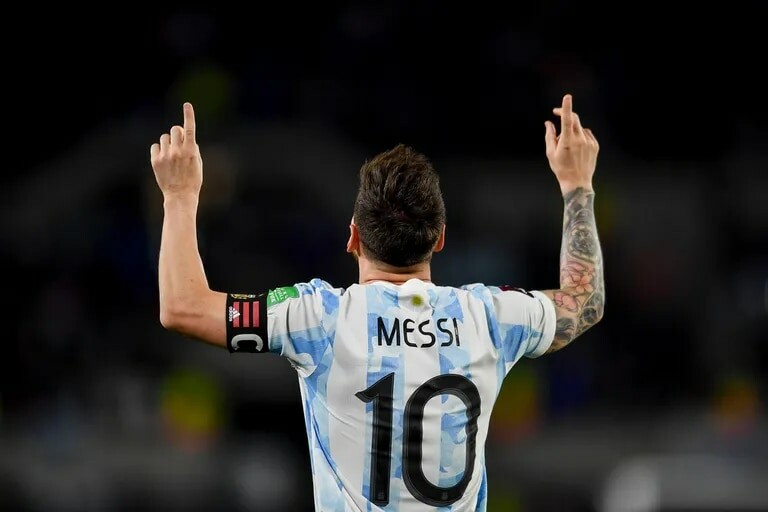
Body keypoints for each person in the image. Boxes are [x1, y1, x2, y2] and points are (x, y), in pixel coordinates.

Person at [150, 93, 604, 511]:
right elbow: (583, 301)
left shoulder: (319, 318)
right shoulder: (488, 318)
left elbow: (183, 307)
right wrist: (577, 186)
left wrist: (179, 196)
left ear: (353, 237)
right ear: (439, 239)